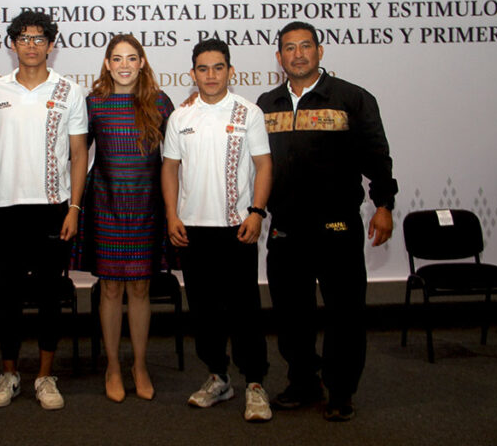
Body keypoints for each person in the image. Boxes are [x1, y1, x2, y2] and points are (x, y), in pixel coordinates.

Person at [257, 21, 397, 421]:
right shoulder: (266, 105)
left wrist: (384, 205)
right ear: (279, 56)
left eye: (305, 46)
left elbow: (377, 157)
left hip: (337, 226)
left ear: (320, 52)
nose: (297, 54)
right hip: (285, 228)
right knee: (291, 313)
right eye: (289, 47)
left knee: (344, 312)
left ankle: (340, 391)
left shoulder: (352, 98)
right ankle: (303, 382)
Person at [0, 11, 88, 411]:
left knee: (52, 295)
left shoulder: (69, 90)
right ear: (12, 44)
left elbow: (79, 152)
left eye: (39, 38)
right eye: (23, 37)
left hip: (54, 208)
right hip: (6, 208)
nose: (31, 45)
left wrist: (74, 207)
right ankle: (10, 373)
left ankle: (45, 376)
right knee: (9, 295)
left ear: (51, 45)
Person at [161, 39, 273, 422]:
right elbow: (169, 169)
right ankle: (218, 378)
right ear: (192, 74)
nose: (211, 75)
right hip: (192, 231)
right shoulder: (180, 117)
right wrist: (172, 216)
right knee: (204, 311)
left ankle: (255, 383)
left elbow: (264, 165)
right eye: (203, 69)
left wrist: (256, 212)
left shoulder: (249, 113)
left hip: (237, 228)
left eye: (218, 67)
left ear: (230, 70)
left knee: (245, 309)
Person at [75, 34, 174, 402]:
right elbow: (77, 153)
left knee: (140, 288)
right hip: (105, 204)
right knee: (111, 288)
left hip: (147, 206)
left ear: (142, 62)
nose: (124, 66)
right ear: (107, 64)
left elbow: (177, 157)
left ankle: (140, 365)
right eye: (117, 59)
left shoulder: (160, 102)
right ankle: (114, 366)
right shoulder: (94, 104)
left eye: (132, 58)